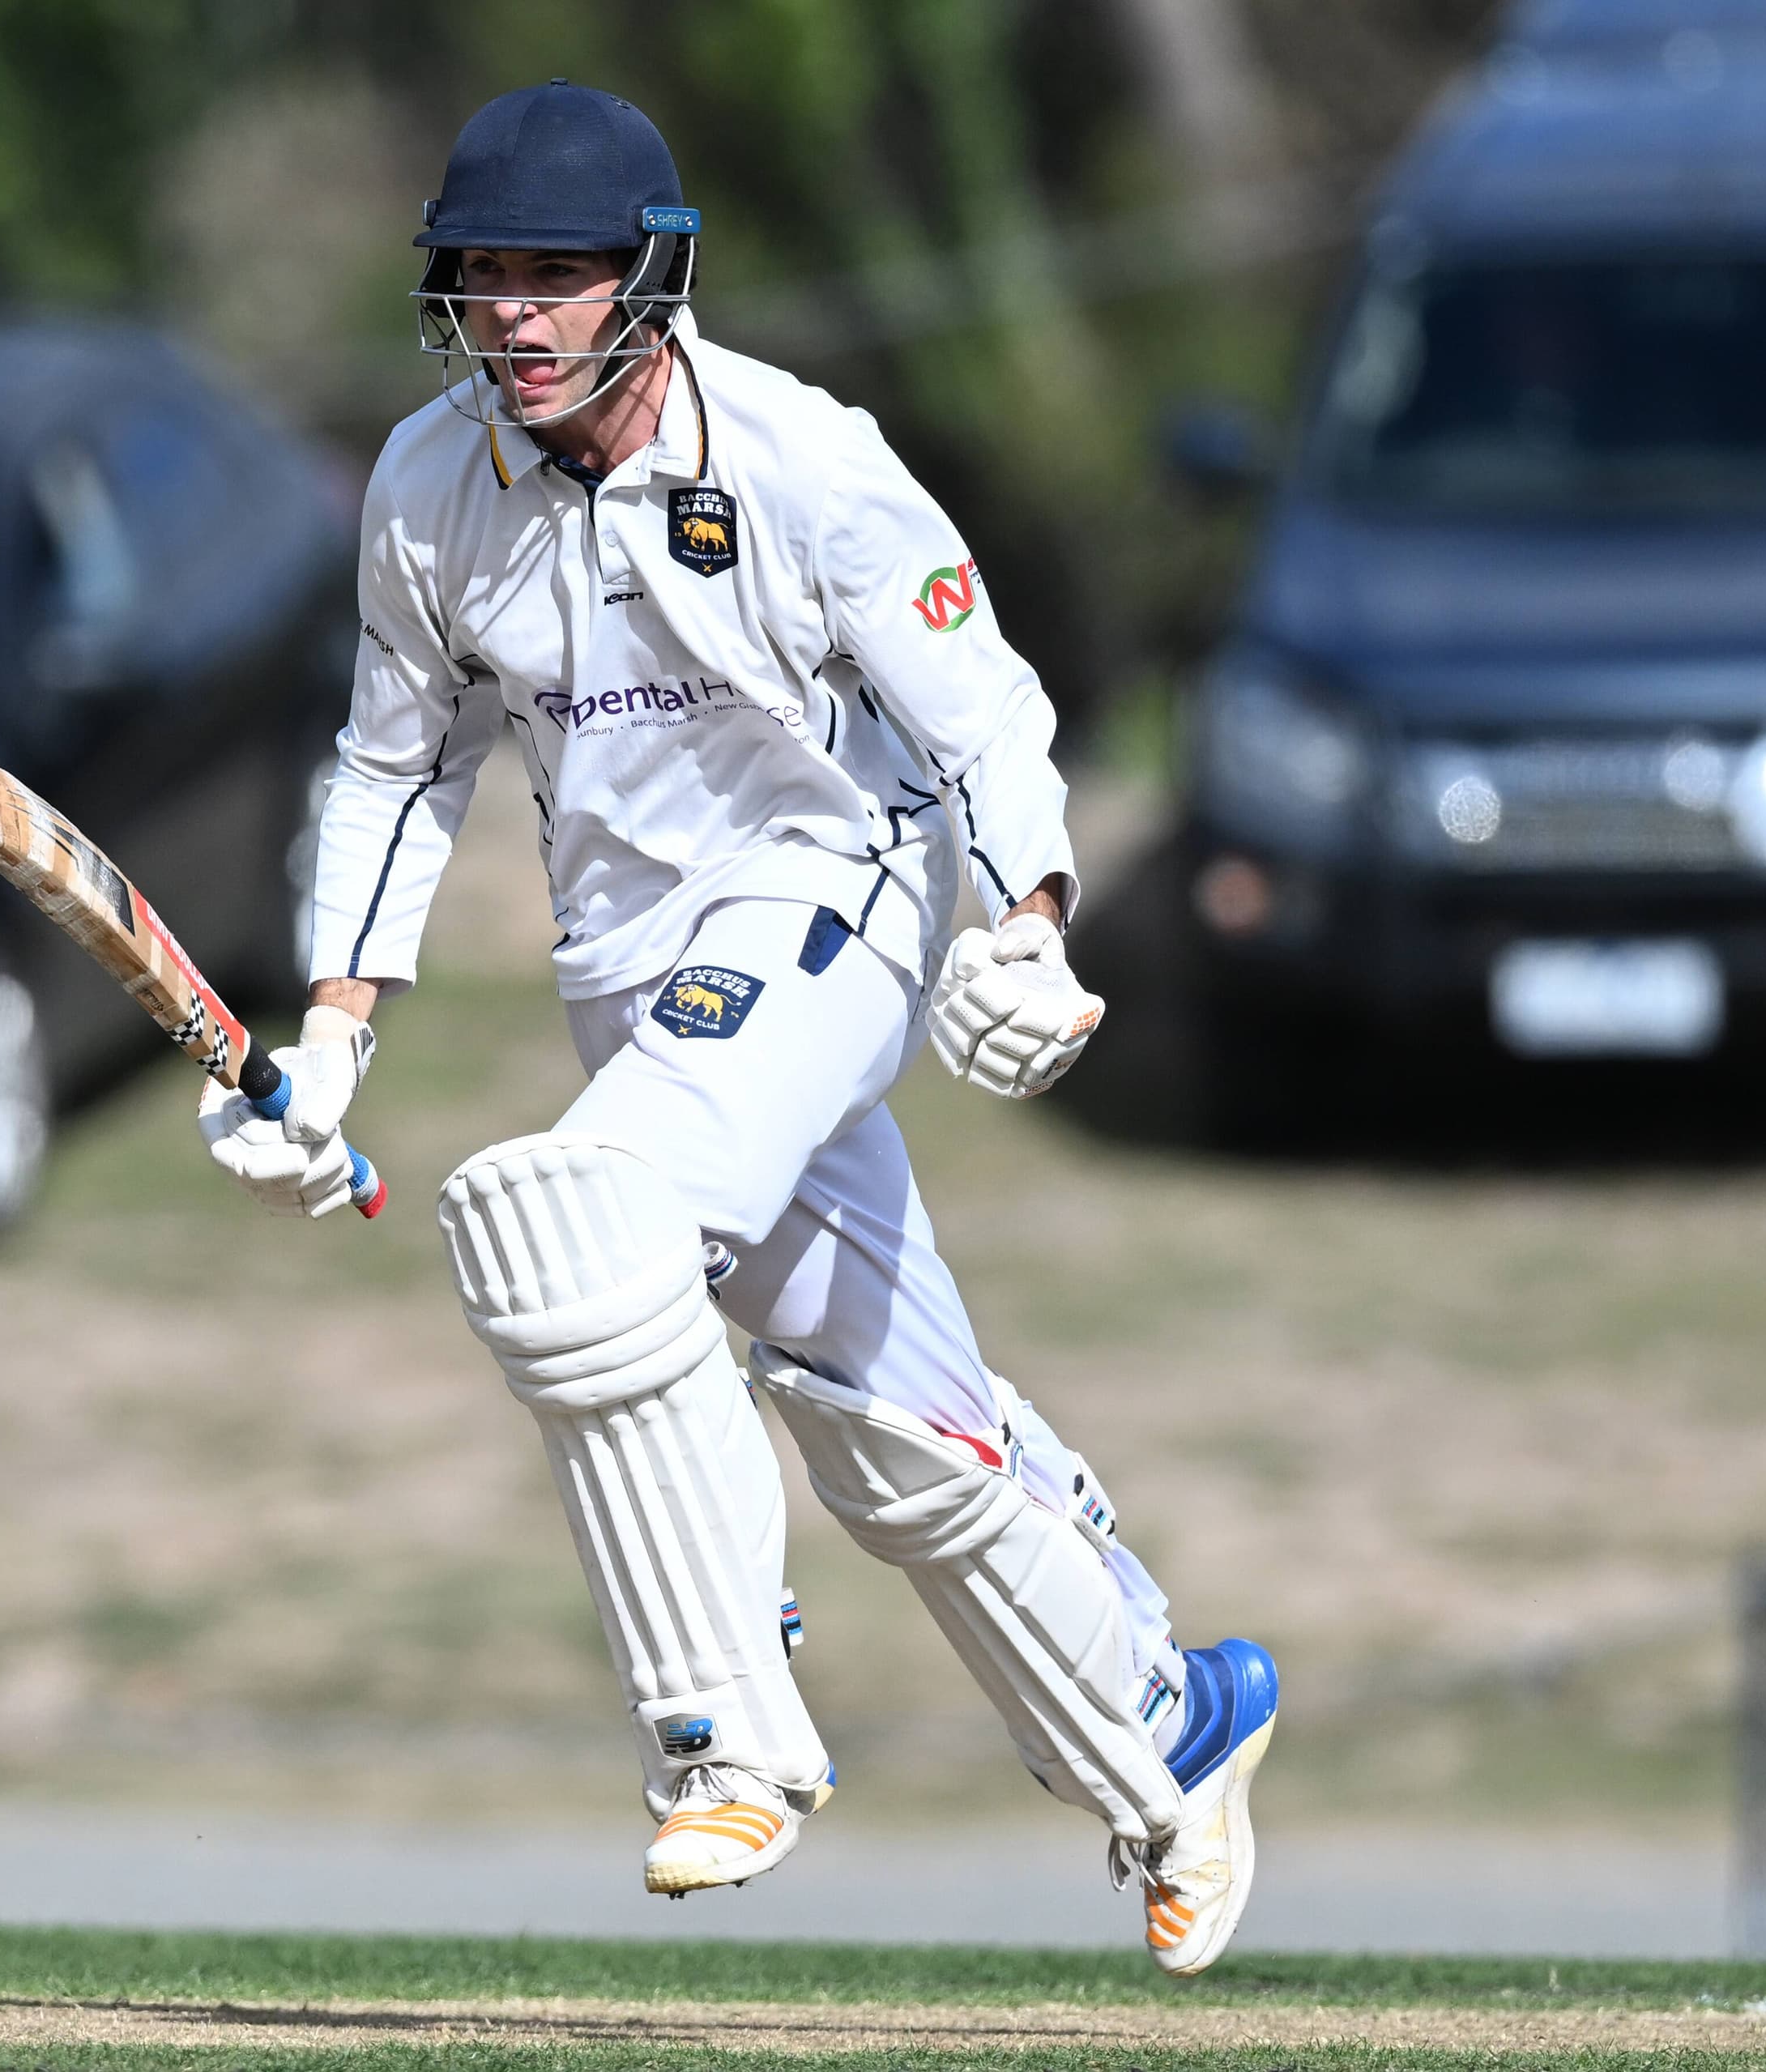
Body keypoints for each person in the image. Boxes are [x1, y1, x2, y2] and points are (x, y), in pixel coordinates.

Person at [199, 79, 1278, 1974]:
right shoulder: (426, 491)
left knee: (571, 1229)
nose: (515, 315)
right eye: (482, 275)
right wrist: (337, 1039)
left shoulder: (802, 458)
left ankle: (726, 1734)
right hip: (642, 979)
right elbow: (393, 773)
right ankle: (1168, 1734)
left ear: (651, 277)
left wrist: (1026, 923)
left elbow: (987, 708)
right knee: (890, 1430)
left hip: (832, 895)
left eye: (556, 273)